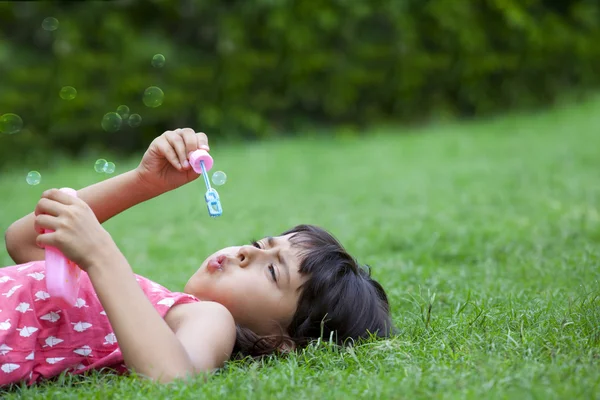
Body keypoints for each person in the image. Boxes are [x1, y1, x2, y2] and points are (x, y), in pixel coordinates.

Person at [1, 128, 394, 387]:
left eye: (272, 270)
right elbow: (26, 241)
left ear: (279, 341)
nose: (244, 253)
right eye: (258, 246)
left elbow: (171, 378)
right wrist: (144, 182)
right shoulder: (145, 306)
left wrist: (101, 254)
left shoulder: (210, 317)